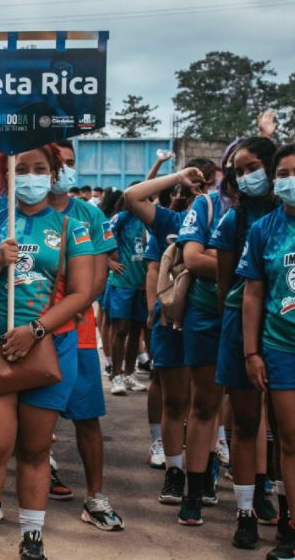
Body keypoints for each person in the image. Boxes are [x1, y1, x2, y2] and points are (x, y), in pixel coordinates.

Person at [0, 148, 95, 560]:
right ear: (6, 175)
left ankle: (32, 540)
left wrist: (35, 330)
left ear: (54, 173)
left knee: (36, 451)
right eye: (23, 170)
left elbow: (82, 292)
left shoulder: (72, 226)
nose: (33, 176)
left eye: (41, 169)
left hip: (49, 350)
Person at [123, 158, 217, 508]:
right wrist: (176, 174)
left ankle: (203, 472)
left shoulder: (222, 221)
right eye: (196, 182)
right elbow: (132, 196)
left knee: (205, 404)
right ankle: (175, 472)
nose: (200, 187)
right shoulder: (170, 220)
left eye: (207, 183)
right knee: (176, 400)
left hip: (209, 321)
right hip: (170, 322)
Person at [46, 141, 125, 531]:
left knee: (87, 417)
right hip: (31, 332)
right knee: (28, 419)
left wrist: (70, 308)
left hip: (76, 332)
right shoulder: (17, 212)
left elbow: (96, 278)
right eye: (58, 163)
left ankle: (94, 496)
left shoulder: (90, 215)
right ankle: (8, 494)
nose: (64, 171)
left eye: (71, 164)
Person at [210, 137, 279, 547]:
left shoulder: (284, 215)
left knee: (286, 426)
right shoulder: (231, 221)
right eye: (237, 170)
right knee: (247, 420)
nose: (244, 176)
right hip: (242, 323)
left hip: (285, 323)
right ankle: (244, 511)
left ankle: (278, 503)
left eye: (252, 166)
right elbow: (224, 287)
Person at [240, 143, 295, 560]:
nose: (289, 180)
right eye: (283, 173)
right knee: (290, 442)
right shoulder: (264, 229)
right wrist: (251, 352)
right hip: (280, 347)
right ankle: (291, 530)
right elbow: (253, 294)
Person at [175, 150, 229, 526]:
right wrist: (241, 262)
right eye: (237, 169)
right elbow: (193, 258)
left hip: (257, 317)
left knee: (252, 413)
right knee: (205, 404)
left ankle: (256, 494)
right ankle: (193, 491)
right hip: (206, 315)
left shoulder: (270, 211)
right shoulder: (207, 205)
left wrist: (221, 256)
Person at [105, 190, 149, 396]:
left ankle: (130, 374)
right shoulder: (122, 218)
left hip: (141, 283)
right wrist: (108, 261)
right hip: (122, 282)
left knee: (135, 331)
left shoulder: (147, 219)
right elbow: (101, 237)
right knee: (120, 329)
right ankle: (116, 375)